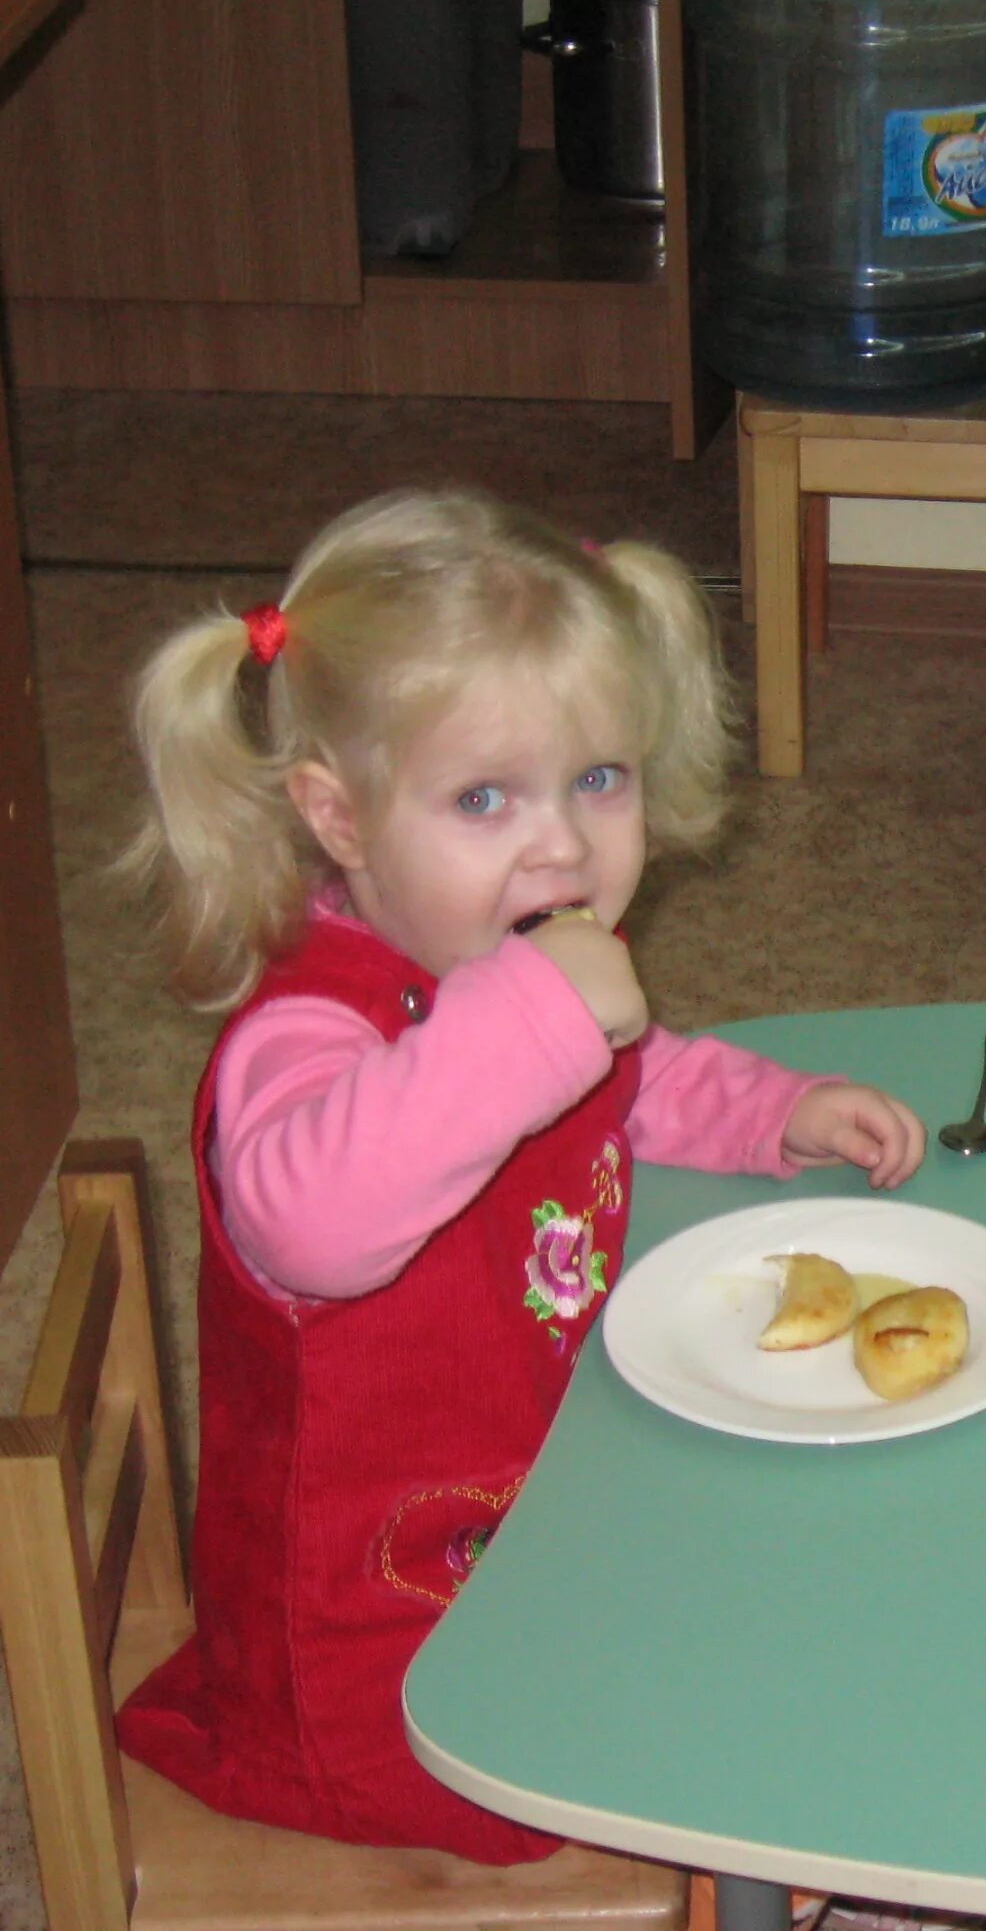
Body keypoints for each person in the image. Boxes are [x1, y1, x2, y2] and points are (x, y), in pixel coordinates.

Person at [113, 489, 927, 1862]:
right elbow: (318, 1221)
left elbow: (633, 1076)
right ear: (341, 817)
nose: (561, 846)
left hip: (536, 1525)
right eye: (482, 798)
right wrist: (540, 1014)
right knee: (766, 1715)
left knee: (820, 1566)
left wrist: (777, 1114)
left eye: (596, 781)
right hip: (385, 1668)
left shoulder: (499, 984)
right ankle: (799, 1867)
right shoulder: (306, 1034)